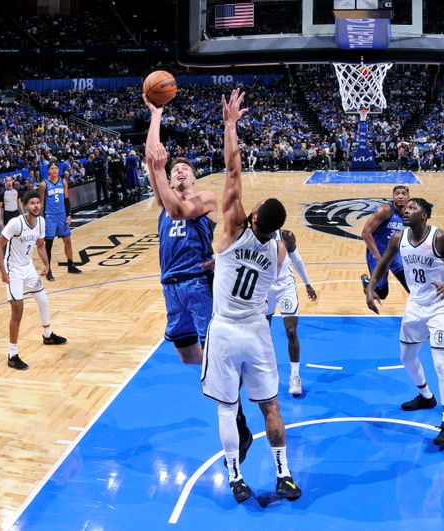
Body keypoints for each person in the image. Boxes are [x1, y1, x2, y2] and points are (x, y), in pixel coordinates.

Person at [201, 89, 301, 503]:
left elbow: (232, 170)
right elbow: (271, 285)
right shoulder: (278, 248)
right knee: (271, 408)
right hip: (257, 329)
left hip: (224, 330)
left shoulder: (232, 228)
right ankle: (284, 473)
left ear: (254, 216)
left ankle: (236, 476)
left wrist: (230, 124)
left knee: (227, 408)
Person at [143, 93, 253, 459]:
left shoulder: (203, 199)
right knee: (189, 356)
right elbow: (152, 157)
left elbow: (178, 211)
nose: (178, 170)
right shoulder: (162, 197)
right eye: (174, 168)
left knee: (213, 360)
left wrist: (159, 171)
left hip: (196, 283)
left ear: (194, 176)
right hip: (170, 288)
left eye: (184, 169)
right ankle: (226, 375)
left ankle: (237, 417)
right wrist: (156, 115)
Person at [366, 197, 444, 449]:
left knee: (441, 365)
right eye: (406, 207)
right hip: (415, 306)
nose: (406, 210)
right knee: (406, 357)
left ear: (424, 216)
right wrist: (370, 287)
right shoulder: (397, 239)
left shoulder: (440, 238)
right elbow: (383, 263)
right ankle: (426, 396)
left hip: (440, 308)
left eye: (413, 208)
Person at [0, 190, 67, 370]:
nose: (36, 206)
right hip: (14, 271)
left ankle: (48, 335)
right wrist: (4, 273)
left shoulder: (41, 222)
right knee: (18, 311)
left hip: (28, 268)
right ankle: (12, 354)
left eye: (38, 202)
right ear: (25, 206)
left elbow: (40, 245)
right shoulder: (15, 223)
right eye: (32, 203)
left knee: (44, 301)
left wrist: (46, 264)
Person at [265, 229, 318, 396]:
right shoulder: (255, 236)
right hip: (264, 288)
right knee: (262, 333)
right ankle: (265, 373)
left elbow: (297, 259)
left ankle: (295, 376)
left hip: (285, 287)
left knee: (291, 331)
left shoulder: (286, 236)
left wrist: (308, 284)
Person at [360, 185, 411, 299]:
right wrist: (379, 258)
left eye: (403, 193)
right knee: (382, 294)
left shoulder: (410, 212)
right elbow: (365, 233)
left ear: (408, 197)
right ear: (393, 196)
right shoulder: (385, 210)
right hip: (378, 252)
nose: (400, 196)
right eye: (397, 194)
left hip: (395, 254)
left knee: (411, 287)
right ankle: (366, 283)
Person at [39, 162, 82, 281]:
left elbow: (66, 199)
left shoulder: (63, 182)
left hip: (62, 216)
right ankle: (48, 270)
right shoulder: (44, 185)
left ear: (58, 169)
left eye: (56, 168)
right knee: (49, 245)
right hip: (50, 217)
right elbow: (41, 204)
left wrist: (69, 214)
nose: (54, 170)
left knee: (67, 241)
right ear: (48, 171)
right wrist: (40, 220)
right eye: (51, 168)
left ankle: (70, 265)